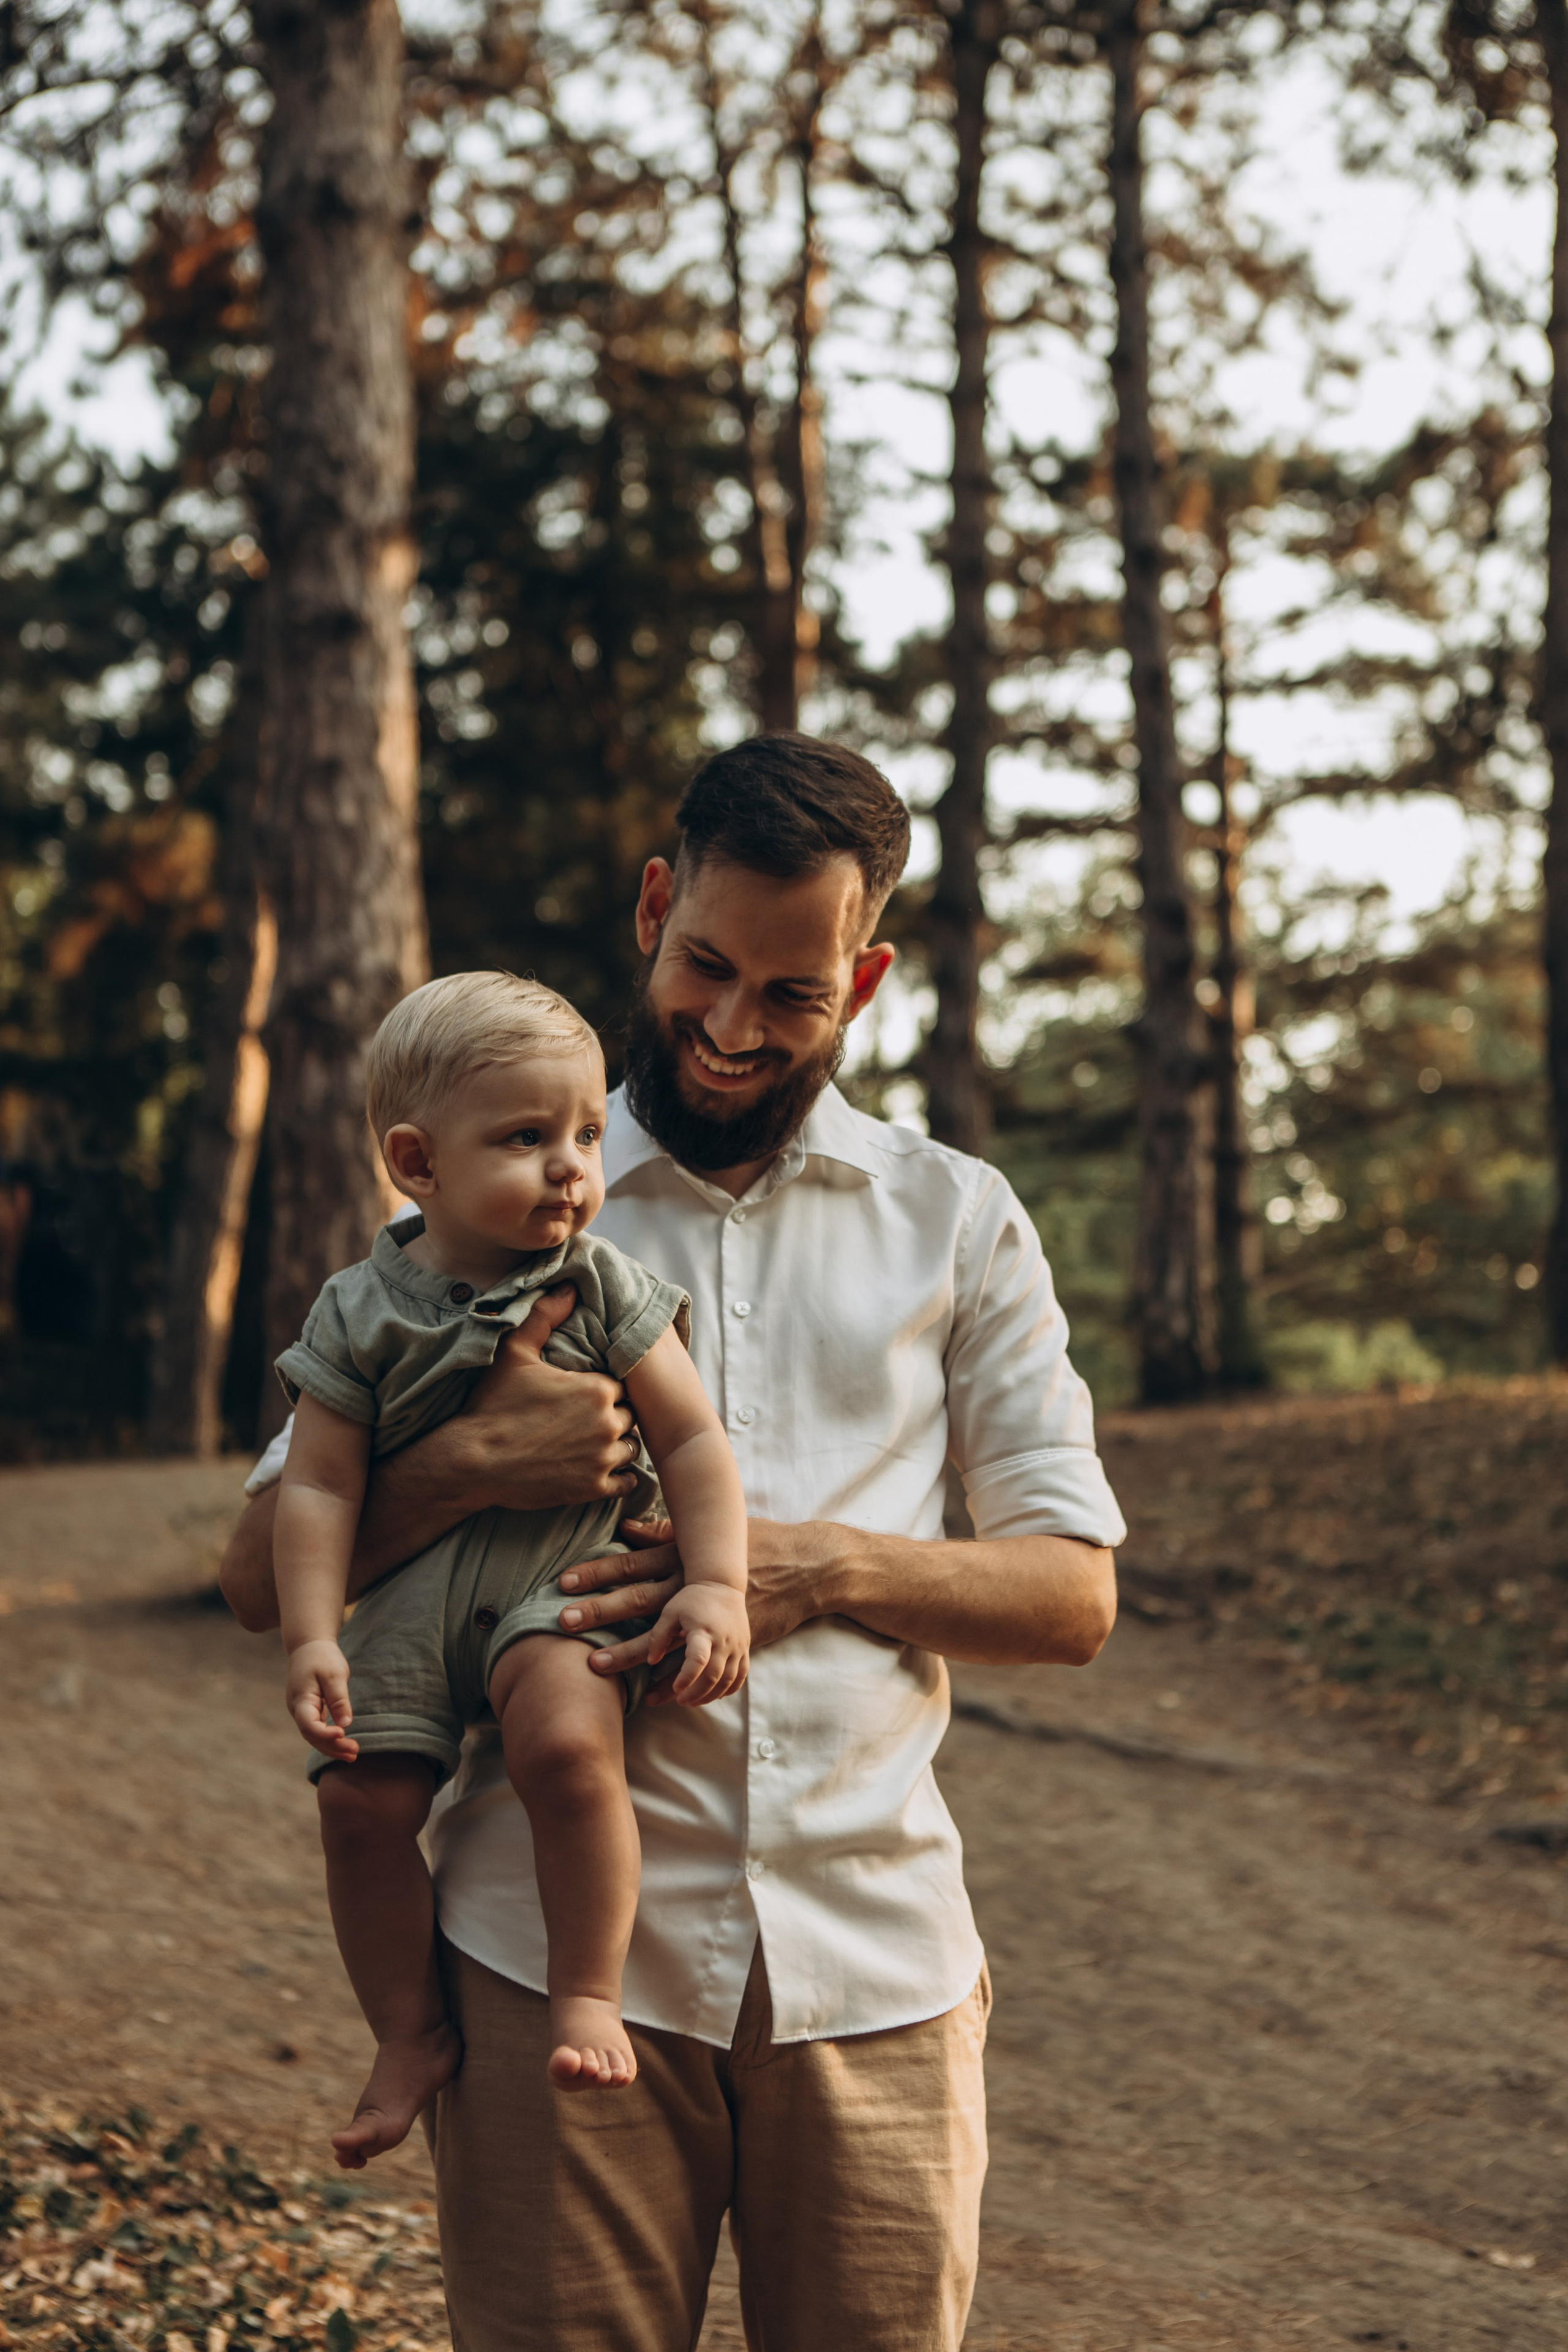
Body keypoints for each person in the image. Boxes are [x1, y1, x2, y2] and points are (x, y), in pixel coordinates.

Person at [221, 731, 1126, 2352]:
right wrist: (471, 1468)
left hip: (878, 1978)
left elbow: (1071, 1597)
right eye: (708, 964)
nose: (731, 1027)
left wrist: (815, 1568)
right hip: (546, 1972)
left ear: (868, 975)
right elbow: (251, 1567)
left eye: (795, 993)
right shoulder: (501, 1180)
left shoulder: (961, 1219)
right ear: (655, 907)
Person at [272, 972, 750, 2165]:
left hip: (564, 1582)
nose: (573, 1168)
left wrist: (714, 1582)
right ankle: (407, 2031)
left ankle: (586, 1990)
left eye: (586, 1134)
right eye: (528, 1139)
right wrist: (312, 1635)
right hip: (415, 1601)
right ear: (416, 1165)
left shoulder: (602, 1286)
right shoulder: (356, 1312)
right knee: (357, 1806)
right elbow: (319, 1485)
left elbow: (692, 1439)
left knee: (563, 1749)